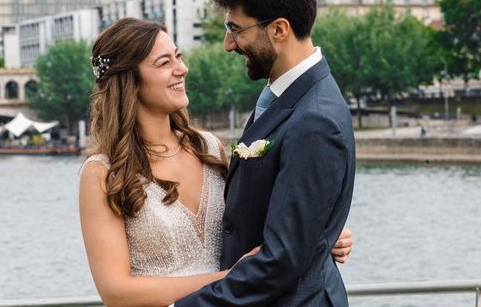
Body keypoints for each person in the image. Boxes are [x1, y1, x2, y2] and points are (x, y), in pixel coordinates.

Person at [79, 17, 353, 307]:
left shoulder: (207, 148)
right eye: (164, 63)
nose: (181, 69)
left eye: (179, 57)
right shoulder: (102, 174)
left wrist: (316, 233)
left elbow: (261, 221)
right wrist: (227, 277)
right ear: (129, 82)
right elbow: (117, 292)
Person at [175, 0, 356, 306]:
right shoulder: (287, 98)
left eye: (235, 29)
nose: (229, 44)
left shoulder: (314, 119)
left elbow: (282, 260)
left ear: (278, 29)